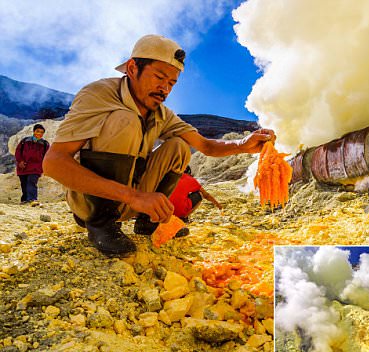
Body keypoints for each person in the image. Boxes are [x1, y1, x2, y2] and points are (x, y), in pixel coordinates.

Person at [43, 34, 274, 257]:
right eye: (159, 77)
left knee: (179, 146)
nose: (165, 88)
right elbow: (53, 163)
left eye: (171, 83)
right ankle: (101, 223)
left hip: (133, 201)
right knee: (126, 120)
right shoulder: (99, 95)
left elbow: (206, 146)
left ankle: (149, 221)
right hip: (90, 202)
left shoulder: (161, 113)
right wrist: (133, 196)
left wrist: (244, 144)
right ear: (133, 69)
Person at [15, 124, 49, 204]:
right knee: (24, 183)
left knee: (31, 182)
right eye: (37, 131)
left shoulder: (45, 144)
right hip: (23, 167)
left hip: (36, 167)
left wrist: (44, 167)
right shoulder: (25, 141)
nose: (39, 134)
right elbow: (18, 151)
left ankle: (32, 199)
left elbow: (47, 156)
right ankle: (25, 200)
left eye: (41, 132)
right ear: (34, 131)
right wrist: (20, 161)